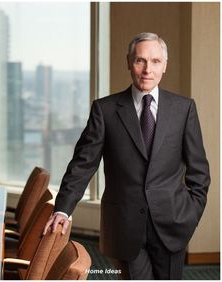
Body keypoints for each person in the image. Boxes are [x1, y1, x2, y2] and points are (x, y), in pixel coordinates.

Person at [43, 32, 210, 280]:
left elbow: (199, 172)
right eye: (140, 60)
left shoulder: (184, 109)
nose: (147, 70)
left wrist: (190, 215)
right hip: (124, 225)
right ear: (129, 62)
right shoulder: (105, 110)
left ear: (164, 65)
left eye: (155, 61)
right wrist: (63, 210)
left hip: (173, 223)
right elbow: (83, 164)